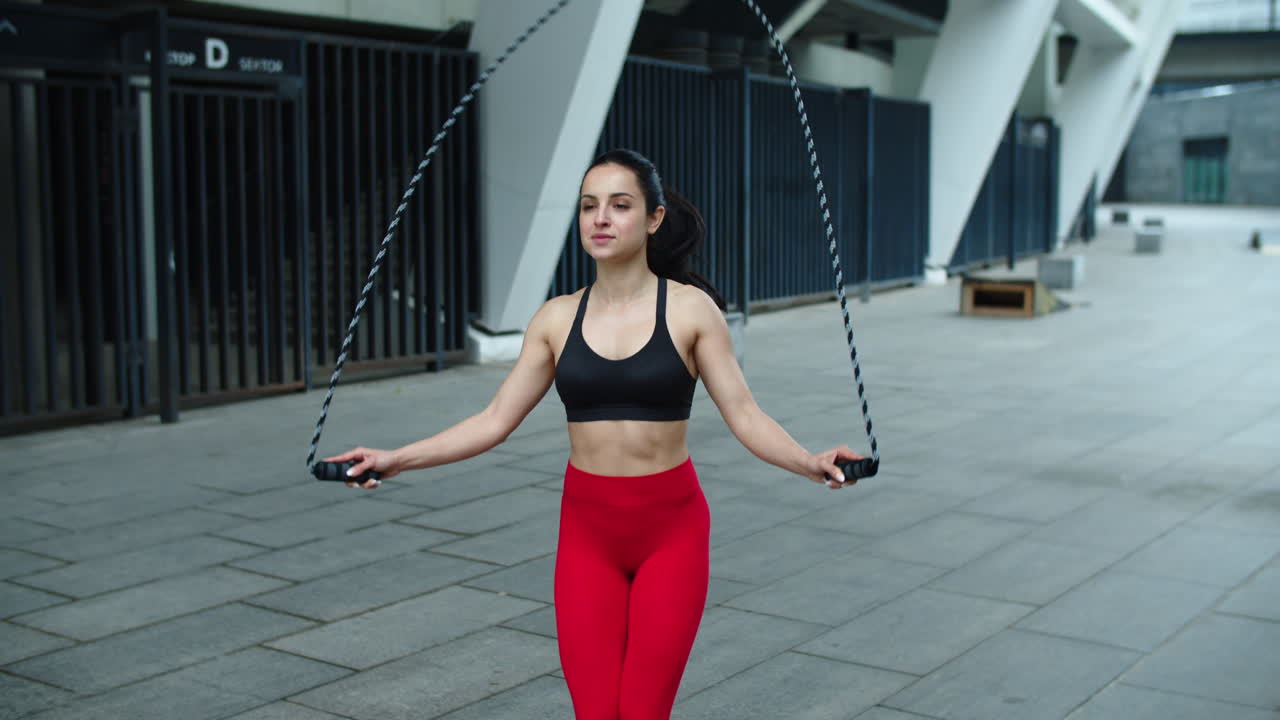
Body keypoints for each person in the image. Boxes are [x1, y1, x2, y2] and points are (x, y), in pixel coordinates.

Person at [325, 148, 864, 720]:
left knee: (640, 712)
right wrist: (396, 459)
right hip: (587, 533)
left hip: (671, 532)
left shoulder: (690, 311)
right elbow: (494, 420)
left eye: (619, 205)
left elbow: (746, 415)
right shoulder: (556, 318)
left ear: (654, 219)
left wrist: (810, 461)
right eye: (589, 206)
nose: (600, 218)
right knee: (596, 713)